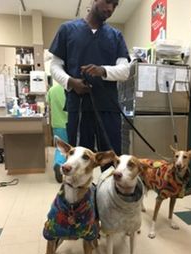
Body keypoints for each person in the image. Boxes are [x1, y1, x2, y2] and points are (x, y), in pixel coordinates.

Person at [49, 0, 130, 156]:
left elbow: (124, 71)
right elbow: (55, 66)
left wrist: (103, 70)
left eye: (114, 5)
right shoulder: (67, 30)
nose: (110, 8)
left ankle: (108, 182)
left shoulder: (116, 36)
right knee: (78, 162)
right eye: (107, 2)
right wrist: (71, 82)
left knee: (111, 160)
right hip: (79, 107)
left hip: (108, 108)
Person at [46, 83, 68, 183]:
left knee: (60, 148)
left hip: (57, 124)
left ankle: (58, 164)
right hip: (71, 123)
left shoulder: (52, 90)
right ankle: (70, 170)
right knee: (72, 149)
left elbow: (48, 104)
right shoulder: (72, 88)